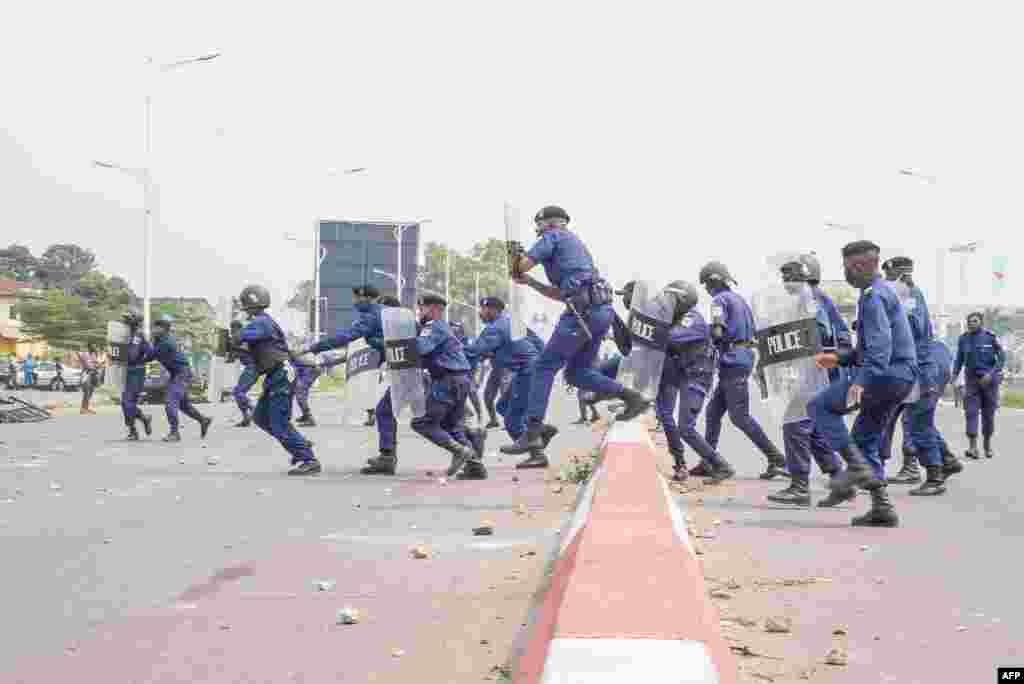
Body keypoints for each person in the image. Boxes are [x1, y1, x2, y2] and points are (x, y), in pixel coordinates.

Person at [504, 206, 650, 456]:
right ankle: (632, 397)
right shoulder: (574, 245)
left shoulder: (553, 236)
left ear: (548, 223)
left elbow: (522, 266)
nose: (538, 231)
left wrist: (515, 259)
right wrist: (530, 282)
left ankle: (533, 432)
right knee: (576, 373)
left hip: (583, 314)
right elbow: (560, 294)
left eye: (539, 225)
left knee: (543, 367)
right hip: (598, 312)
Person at [808, 240, 918, 527]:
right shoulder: (879, 292)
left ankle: (855, 469)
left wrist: (862, 380)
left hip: (884, 375)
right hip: (900, 378)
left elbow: (881, 345)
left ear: (857, 267)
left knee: (819, 406)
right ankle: (882, 508)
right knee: (863, 440)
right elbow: (866, 348)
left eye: (846, 267)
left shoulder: (873, 296)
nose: (845, 273)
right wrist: (839, 358)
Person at [766, 255, 846, 506]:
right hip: (817, 370)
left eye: (790, 277)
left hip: (811, 369)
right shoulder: (812, 297)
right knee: (812, 428)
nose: (785, 282)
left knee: (794, 424)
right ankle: (841, 479)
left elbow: (819, 331)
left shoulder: (810, 298)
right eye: (784, 277)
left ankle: (800, 487)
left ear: (805, 276)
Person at [697, 261, 788, 480]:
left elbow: (718, 332)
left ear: (713, 281)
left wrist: (701, 337)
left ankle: (777, 459)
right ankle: (708, 461)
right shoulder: (739, 300)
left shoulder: (719, 301)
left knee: (740, 416)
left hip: (732, 360)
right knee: (713, 413)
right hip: (742, 357)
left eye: (706, 284)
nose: (706, 289)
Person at [306, 285, 396, 474]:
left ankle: (388, 458)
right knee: (385, 411)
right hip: (405, 365)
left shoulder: (371, 316)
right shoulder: (388, 313)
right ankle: (387, 456)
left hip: (401, 368)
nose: (354, 302)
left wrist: (315, 347)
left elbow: (346, 336)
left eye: (357, 298)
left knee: (423, 417)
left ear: (367, 298)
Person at [232, 285, 321, 475]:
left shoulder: (261, 322)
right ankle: (300, 444)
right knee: (260, 417)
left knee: (279, 423)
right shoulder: (262, 321)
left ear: (248, 305)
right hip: (275, 375)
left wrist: (238, 329)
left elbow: (244, 337)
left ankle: (309, 459)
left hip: (281, 374)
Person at [653, 281, 735, 483]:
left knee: (686, 427)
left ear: (682, 300)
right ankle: (700, 464)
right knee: (678, 422)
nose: (666, 303)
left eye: (670, 299)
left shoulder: (691, 318)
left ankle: (721, 465)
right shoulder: (679, 319)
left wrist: (650, 326)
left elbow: (669, 338)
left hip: (698, 377)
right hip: (687, 375)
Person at [466, 296, 554, 469]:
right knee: (502, 406)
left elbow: (475, 351)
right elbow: (539, 344)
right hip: (533, 369)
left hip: (527, 371)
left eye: (483, 309)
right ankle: (540, 430)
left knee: (512, 420)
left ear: (493, 310)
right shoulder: (514, 323)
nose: (481, 312)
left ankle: (537, 455)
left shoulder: (493, 329)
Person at [410, 294, 481, 478]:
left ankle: (460, 451)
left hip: (447, 381)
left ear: (434, 309)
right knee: (452, 426)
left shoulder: (432, 326)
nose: (419, 312)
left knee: (422, 423)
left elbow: (420, 348)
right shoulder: (443, 327)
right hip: (460, 379)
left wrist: (405, 338)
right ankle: (476, 467)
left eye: (422, 308)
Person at [147, 314, 213, 442]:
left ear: (164, 329)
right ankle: (203, 420)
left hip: (182, 374)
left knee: (170, 401)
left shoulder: (166, 342)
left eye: (157, 327)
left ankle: (174, 433)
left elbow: (150, 356)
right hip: (177, 374)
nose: (153, 329)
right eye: (154, 327)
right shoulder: (161, 340)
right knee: (183, 405)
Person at [952, 311, 1005, 459]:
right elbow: (959, 359)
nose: (971, 324)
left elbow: (1002, 358)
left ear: (981, 322)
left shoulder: (990, 337)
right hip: (972, 382)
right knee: (971, 413)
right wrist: (954, 375)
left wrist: (991, 373)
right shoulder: (963, 339)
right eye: (969, 321)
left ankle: (987, 445)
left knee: (988, 415)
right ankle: (973, 447)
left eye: (975, 321)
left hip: (989, 382)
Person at [117, 310, 154, 441]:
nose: (124, 322)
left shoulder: (138, 336)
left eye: (127, 320)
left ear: (134, 323)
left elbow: (150, 353)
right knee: (125, 403)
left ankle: (134, 429)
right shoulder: (124, 335)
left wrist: (141, 361)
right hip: (126, 371)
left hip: (136, 373)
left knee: (128, 402)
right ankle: (141, 420)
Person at [229, 320, 258, 427]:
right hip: (251, 368)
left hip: (253, 368)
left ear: (236, 329)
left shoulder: (243, 338)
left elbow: (234, 356)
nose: (231, 332)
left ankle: (254, 409)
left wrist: (233, 348)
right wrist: (231, 350)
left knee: (238, 392)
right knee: (238, 392)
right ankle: (246, 418)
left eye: (232, 329)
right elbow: (231, 358)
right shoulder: (241, 339)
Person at [78, 343, 102, 415]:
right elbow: (87, 364)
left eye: (95, 346)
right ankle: (83, 409)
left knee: (90, 392)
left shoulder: (94, 355)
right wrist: (94, 366)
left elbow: (96, 364)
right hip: (87, 374)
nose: (95, 348)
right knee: (87, 392)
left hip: (93, 375)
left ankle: (86, 408)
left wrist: (97, 365)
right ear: (89, 347)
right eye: (93, 346)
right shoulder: (85, 354)